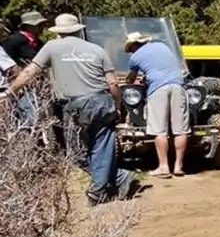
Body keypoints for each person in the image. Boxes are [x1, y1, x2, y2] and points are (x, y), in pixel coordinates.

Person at [7, 13, 136, 205]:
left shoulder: (51, 47)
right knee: (102, 147)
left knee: (75, 152)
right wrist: (117, 107)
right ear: (78, 30)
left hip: (74, 105)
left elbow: (30, 72)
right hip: (102, 101)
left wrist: (11, 91)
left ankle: (98, 191)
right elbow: (113, 83)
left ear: (58, 32)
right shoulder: (96, 49)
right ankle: (118, 177)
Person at [125, 32, 189, 178]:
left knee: (160, 130)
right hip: (178, 85)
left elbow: (131, 79)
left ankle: (163, 167)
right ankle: (178, 166)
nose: (131, 52)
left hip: (158, 89)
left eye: (131, 49)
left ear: (134, 45)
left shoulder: (135, 57)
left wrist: (136, 80)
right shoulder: (162, 46)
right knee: (180, 129)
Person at [2, 11, 47, 126]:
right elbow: (7, 64)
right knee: (29, 120)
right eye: (38, 25)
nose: (42, 27)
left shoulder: (39, 43)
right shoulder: (14, 41)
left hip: (37, 88)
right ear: (28, 26)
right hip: (21, 88)